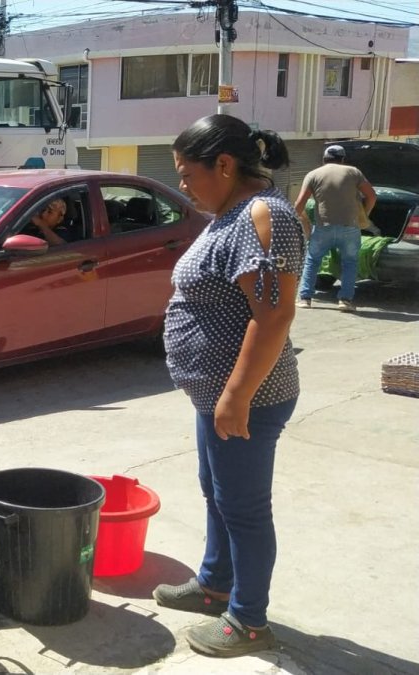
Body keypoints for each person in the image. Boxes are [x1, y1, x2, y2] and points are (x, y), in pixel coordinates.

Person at [154, 114, 305, 658]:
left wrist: (237, 396)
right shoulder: (233, 214)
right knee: (216, 495)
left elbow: (273, 317)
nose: (183, 186)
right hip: (215, 396)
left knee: (242, 507)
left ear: (224, 164)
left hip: (248, 399)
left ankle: (248, 619)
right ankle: (214, 586)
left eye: (187, 174)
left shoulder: (263, 216)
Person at [293, 144, 376, 313]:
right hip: (350, 227)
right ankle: (345, 300)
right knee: (350, 263)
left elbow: (299, 205)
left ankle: (305, 298)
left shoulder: (313, 174)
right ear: (343, 159)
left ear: (324, 159)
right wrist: (363, 215)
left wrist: (305, 225)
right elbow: (372, 196)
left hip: (323, 227)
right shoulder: (354, 172)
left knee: (312, 260)